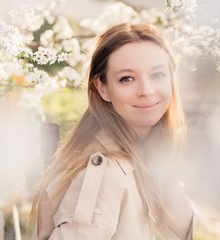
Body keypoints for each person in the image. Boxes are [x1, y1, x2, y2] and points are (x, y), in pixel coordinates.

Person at [30, 23, 195, 240]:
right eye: (127, 78)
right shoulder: (104, 172)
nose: (146, 90)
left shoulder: (141, 155)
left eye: (157, 75)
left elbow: (181, 228)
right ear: (102, 88)